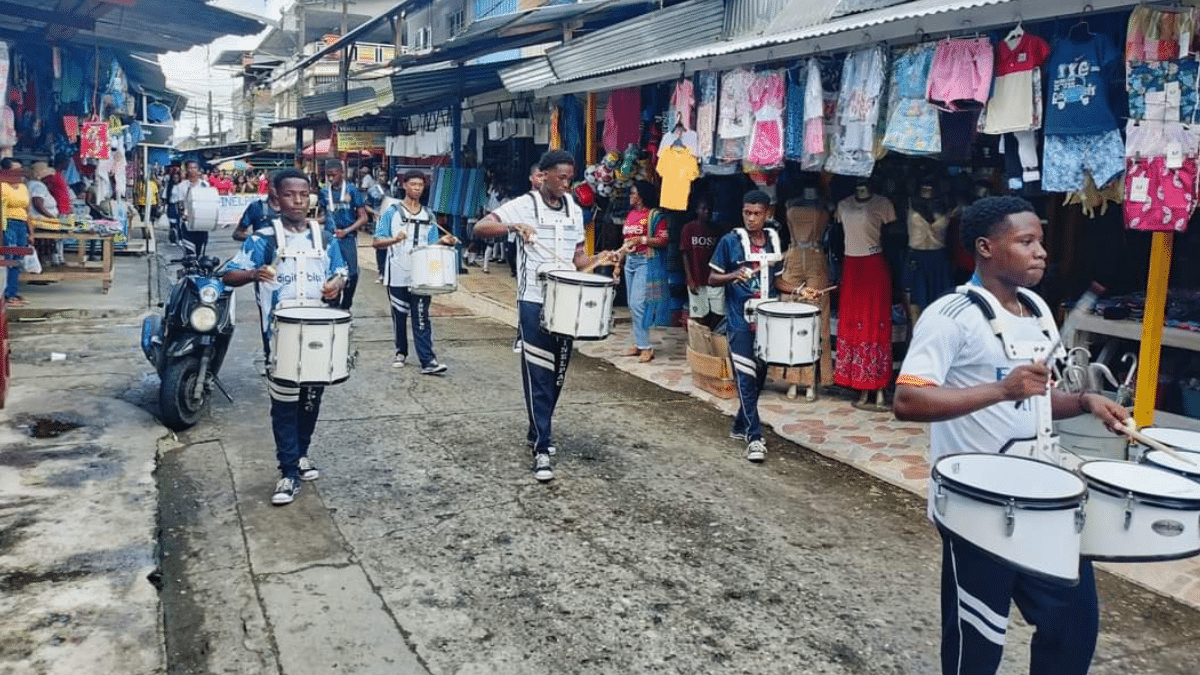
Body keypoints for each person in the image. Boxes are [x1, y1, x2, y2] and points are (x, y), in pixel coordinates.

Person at [893, 196, 1128, 675]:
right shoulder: (951, 315)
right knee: (977, 641)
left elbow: (1035, 398)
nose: (1041, 252)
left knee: (1074, 622)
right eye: (1025, 242)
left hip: (1043, 497)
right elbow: (908, 400)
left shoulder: (1039, 310)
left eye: (1040, 241)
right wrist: (1001, 389)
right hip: (977, 506)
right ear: (986, 248)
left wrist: (1083, 402)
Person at [473, 150, 621, 482]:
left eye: (570, 177)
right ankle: (542, 447)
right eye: (562, 177)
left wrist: (602, 258)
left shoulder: (574, 210)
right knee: (539, 374)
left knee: (556, 377)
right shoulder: (523, 204)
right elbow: (482, 227)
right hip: (534, 301)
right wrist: (514, 226)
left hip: (566, 302)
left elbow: (578, 259)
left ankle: (537, 427)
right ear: (544, 175)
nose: (568, 183)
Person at [222, 169, 348, 506]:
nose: (298, 201)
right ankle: (288, 471)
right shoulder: (264, 239)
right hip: (281, 335)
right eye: (290, 195)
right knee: (285, 403)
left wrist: (336, 285)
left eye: (303, 195)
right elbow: (228, 275)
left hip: (319, 332)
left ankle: (301, 453)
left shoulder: (324, 237)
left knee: (311, 398)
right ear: (275, 199)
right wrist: (254, 273)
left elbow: (341, 273)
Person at [707, 190, 799, 463]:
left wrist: (800, 290)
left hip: (767, 321)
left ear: (768, 213)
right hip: (739, 320)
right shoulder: (730, 242)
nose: (751, 218)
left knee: (759, 378)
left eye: (757, 213)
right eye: (747, 212)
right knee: (745, 378)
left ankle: (740, 424)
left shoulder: (773, 240)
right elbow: (711, 277)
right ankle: (755, 437)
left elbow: (778, 282)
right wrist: (734, 275)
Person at [373, 170, 456, 374]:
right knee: (399, 315)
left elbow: (431, 247)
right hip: (397, 274)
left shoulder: (429, 215)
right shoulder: (391, 213)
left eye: (420, 185)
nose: (417, 188)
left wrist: (443, 242)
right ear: (404, 185)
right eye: (413, 184)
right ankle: (401, 351)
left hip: (421, 276)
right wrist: (394, 239)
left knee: (421, 316)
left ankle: (428, 361)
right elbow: (377, 242)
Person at [619, 180, 670, 362]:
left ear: (641, 195)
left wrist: (641, 240)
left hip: (645, 262)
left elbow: (663, 240)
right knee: (633, 305)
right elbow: (626, 241)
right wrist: (619, 261)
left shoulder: (655, 216)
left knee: (637, 303)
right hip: (630, 262)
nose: (630, 196)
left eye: (633, 193)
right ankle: (639, 344)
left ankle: (646, 347)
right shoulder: (630, 214)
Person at [317, 159, 368, 312]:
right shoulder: (324, 192)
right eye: (328, 176)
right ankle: (333, 305)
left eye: (333, 175)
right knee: (331, 273)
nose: (331, 179)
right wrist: (312, 221)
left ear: (342, 173)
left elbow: (363, 218)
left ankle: (346, 306)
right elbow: (325, 215)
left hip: (347, 237)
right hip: (329, 238)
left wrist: (346, 231)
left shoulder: (352, 191)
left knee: (352, 274)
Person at [679, 194, 724, 329]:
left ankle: (712, 338)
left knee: (719, 313)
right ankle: (700, 342)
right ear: (697, 210)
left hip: (714, 279)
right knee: (699, 314)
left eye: (709, 209)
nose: (707, 212)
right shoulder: (689, 228)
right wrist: (690, 278)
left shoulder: (716, 229)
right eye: (703, 209)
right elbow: (684, 254)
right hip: (697, 277)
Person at [1, 158, 31, 306]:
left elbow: (28, 209)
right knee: (10, 259)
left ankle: (13, 292)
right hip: (8, 224)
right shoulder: (2, 186)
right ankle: (8, 294)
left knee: (18, 260)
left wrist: (30, 231)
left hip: (21, 224)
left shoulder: (23, 187)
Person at [170, 160, 212, 257]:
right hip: (188, 222)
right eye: (190, 168)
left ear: (198, 170)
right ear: (187, 170)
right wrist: (183, 215)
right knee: (189, 251)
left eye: (195, 168)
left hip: (202, 221)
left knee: (200, 250)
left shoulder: (205, 185)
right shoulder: (182, 186)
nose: (193, 170)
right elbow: (179, 202)